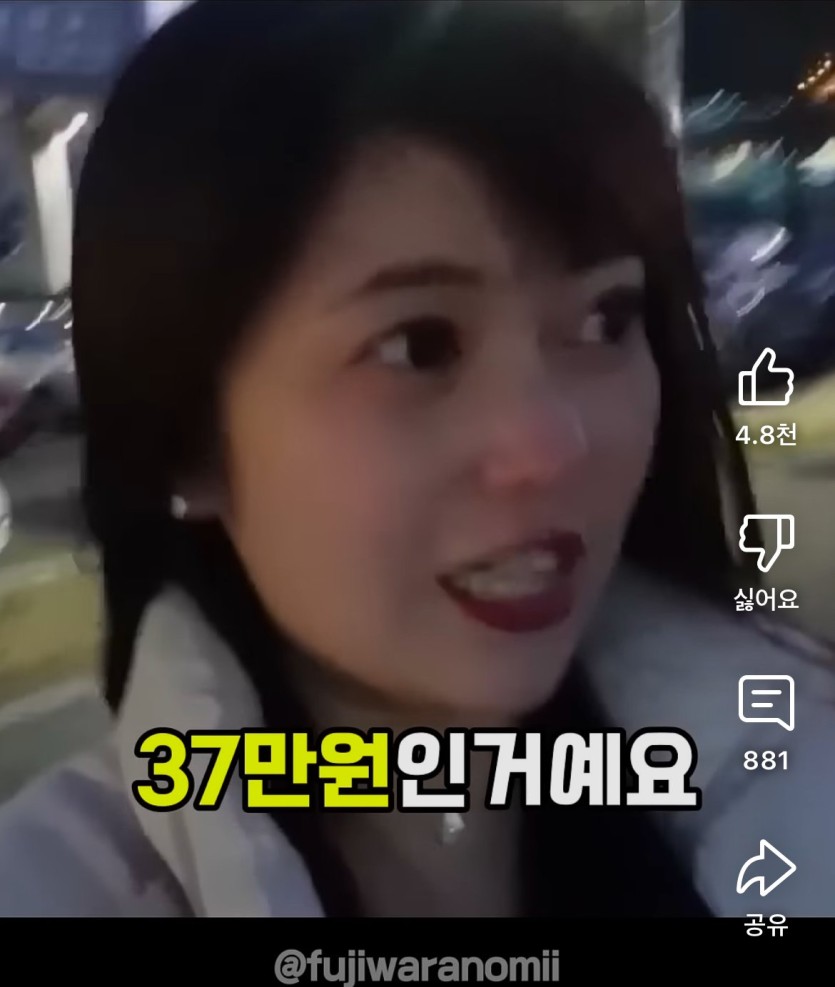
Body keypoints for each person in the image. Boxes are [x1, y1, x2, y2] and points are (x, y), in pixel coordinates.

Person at [0, 0, 833, 918]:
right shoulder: (61, 882)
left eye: (606, 320)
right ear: (187, 441)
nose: (552, 445)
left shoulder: (791, 780)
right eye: (419, 345)